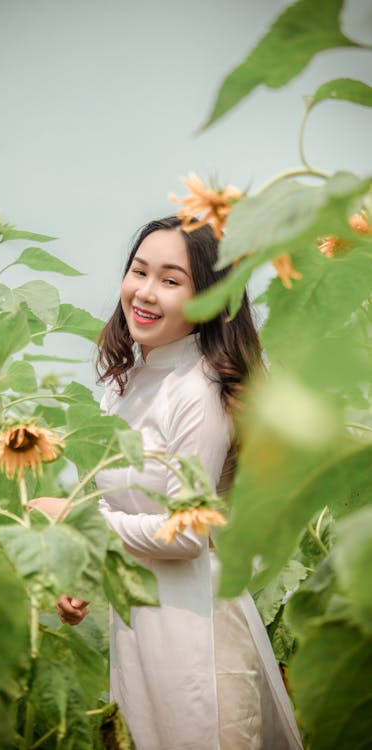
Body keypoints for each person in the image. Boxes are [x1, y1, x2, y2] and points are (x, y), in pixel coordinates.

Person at [55, 216, 303, 750]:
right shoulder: (122, 385)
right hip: (139, 623)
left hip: (195, 629)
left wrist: (76, 522)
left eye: (171, 280)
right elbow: (121, 507)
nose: (145, 292)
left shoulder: (202, 389)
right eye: (139, 271)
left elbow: (188, 535)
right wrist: (85, 572)